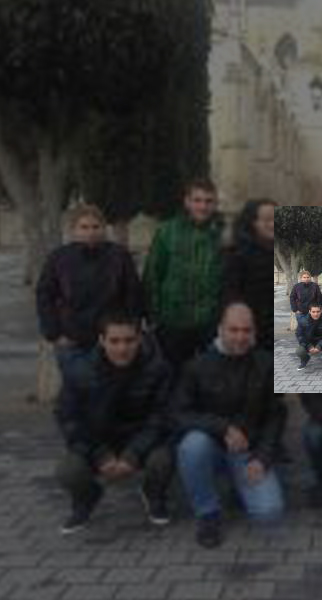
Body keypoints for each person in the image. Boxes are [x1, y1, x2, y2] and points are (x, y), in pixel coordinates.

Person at [174, 303, 286, 548]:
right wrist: (222, 428)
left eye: (246, 330)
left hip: (248, 451)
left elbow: (275, 417)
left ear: (254, 332)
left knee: (269, 514)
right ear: (220, 330)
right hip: (211, 447)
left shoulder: (266, 364)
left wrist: (263, 458)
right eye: (233, 330)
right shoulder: (197, 366)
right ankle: (207, 513)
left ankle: (238, 486)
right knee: (192, 445)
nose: (240, 337)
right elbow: (179, 414)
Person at [54, 313, 173, 535]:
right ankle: (87, 499)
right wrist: (100, 454)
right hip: (97, 442)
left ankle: (153, 494)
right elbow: (69, 420)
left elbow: (161, 418)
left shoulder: (158, 369)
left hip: (139, 440)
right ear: (101, 340)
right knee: (68, 471)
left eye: (129, 340)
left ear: (140, 339)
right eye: (114, 341)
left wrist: (134, 454)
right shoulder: (79, 370)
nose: (122, 348)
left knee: (164, 459)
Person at [37, 205, 143, 372]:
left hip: (111, 341)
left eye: (95, 226)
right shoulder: (59, 258)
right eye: (84, 227)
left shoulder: (119, 256)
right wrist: (54, 334)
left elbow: (133, 294)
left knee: (111, 391)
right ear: (74, 230)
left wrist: (133, 329)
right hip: (72, 341)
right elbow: (44, 296)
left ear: (103, 228)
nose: (90, 232)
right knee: (78, 390)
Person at [143, 179, 224, 370]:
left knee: (210, 374)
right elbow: (153, 274)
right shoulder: (167, 231)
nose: (202, 206)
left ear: (214, 204)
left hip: (210, 320)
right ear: (187, 202)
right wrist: (153, 316)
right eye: (197, 200)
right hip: (173, 319)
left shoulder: (222, 234)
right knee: (175, 374)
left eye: (208, 201)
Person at [223, 200, 275, 350]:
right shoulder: (237, 256)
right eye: (266, 220)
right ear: (253, 223)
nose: (272, 225)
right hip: (250, 334)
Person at [295, 303, 322, 370]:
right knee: (299, 351)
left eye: (318, 311)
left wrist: (319, 346)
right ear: (309, 311)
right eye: (313, 312)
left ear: (321, 311)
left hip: (321, 341)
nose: (316, 314)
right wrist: (309, 346)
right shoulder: (302, 321)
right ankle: (305, 359)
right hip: (308, 342)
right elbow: (299, 335)